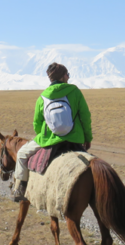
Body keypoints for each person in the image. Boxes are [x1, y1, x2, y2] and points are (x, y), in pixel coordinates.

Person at [12, 62, 92, 202]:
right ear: (62, 77)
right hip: (75, 139)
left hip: (49, 140)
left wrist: (44, 135)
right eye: (67, 74)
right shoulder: (75, 91)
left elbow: (37, 123)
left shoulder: (42, 97)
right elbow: (85, 116)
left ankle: (20, 188)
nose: (68, 77)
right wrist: (87, 137)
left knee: (22, 154)